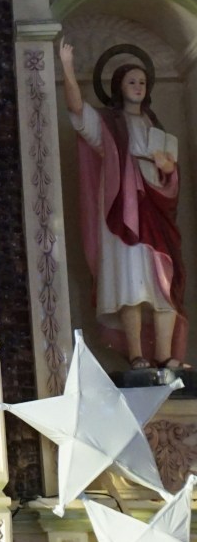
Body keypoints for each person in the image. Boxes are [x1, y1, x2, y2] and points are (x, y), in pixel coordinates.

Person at [59, 41, 185, 368]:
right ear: (119, 87)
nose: (138, 87)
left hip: (155, 209)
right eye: (132, 82)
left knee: (164, 283)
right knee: (131, 280)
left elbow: (170, 173)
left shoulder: (154, 126)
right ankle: (136, 354)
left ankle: (165, 356)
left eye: (142, 82)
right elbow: (77, 111)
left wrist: (168, 169)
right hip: (123, 212)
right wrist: (67, 67)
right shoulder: (108, 125)